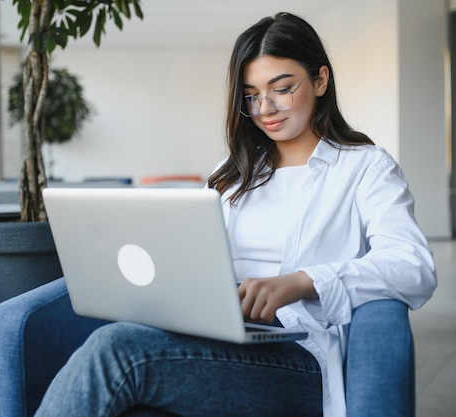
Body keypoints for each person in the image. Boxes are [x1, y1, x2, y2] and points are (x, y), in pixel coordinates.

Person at [35, 12, 437, 417]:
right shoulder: (230, 173)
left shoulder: (365, 168)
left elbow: (413, 266)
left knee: (115, 349)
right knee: (120, 346)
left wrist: (302, 283)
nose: (265, 108)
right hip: (223, 336)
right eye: (251, 94)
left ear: (320, 80)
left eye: (281, 89)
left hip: (300, 351)